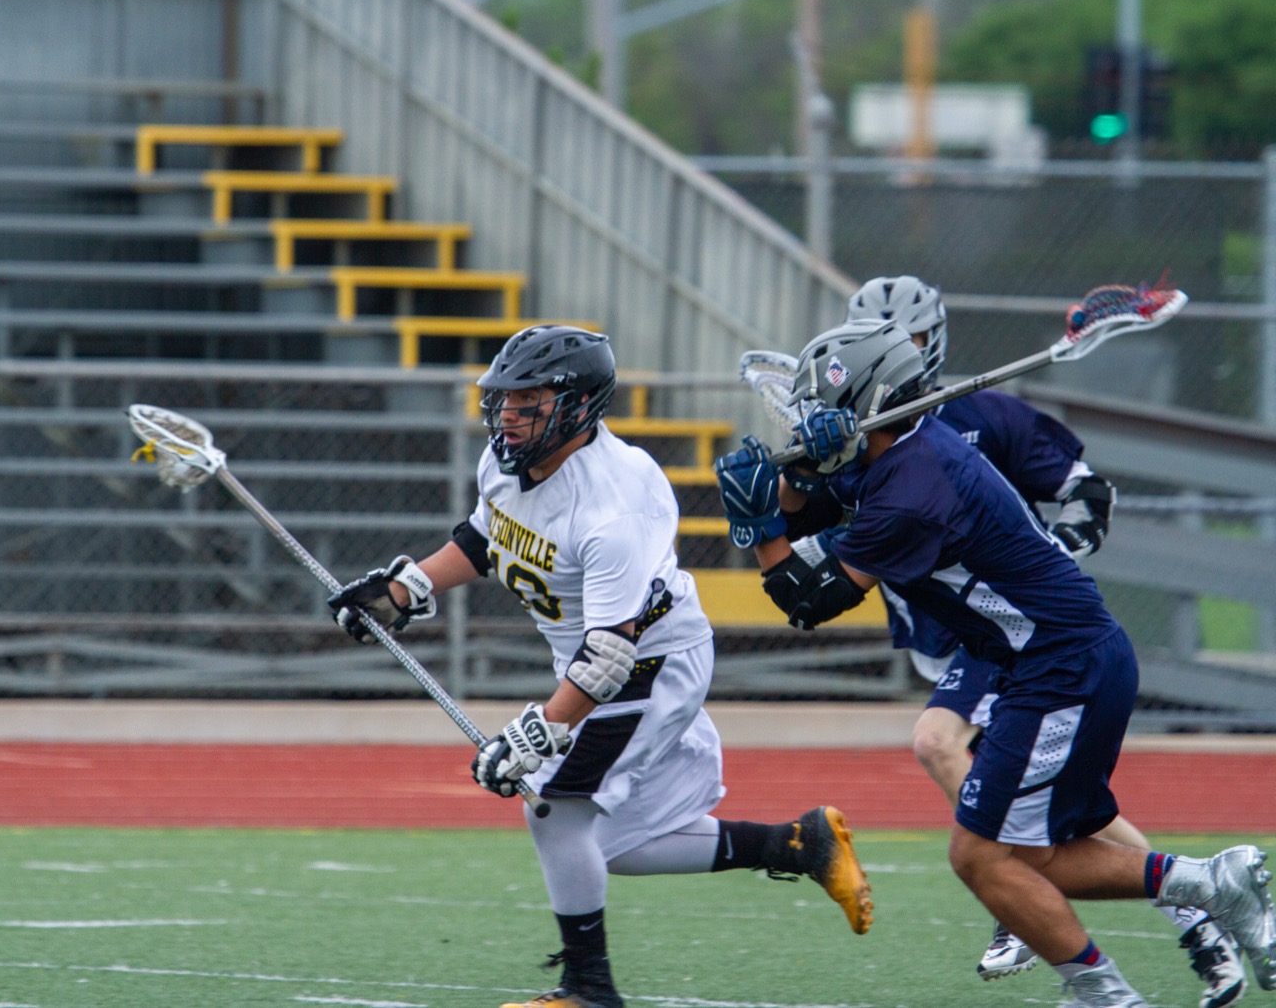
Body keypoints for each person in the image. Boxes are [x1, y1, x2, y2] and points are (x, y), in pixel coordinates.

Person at [714, 317, 1276, 1008]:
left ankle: (1111, 990)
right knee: (1033, 860)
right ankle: (1204, 888)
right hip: (1048, 663)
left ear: (871, 401)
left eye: (826, 408)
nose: (811, 421)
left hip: (1061, 668)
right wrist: (795, 479)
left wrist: (757, 527)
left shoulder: (911, 489)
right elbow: (822, 503)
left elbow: (805, 601)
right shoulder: (899, 454)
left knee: (982, 858)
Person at [327, 324, 874, 1008]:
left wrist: (539, 732)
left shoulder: (614, 504)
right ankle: (799, 844)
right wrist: (405, 591)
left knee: (555, 812)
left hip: (649, 663)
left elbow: (609, 655)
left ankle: (588, 991)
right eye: (504, 402)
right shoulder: (507, 464)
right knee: (607, 844)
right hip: (599, 660)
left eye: (528, 405)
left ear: (579, 406)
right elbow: (486, 536)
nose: (509, 418)